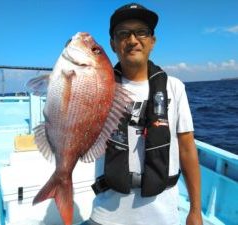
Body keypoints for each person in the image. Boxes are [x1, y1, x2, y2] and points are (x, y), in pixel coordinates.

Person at [82, 3, 203, 225]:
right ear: (113, 44)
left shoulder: (174, 87)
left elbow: (187, 148)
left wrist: (195, 210)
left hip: (163, 217)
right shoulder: (97, 88)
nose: (133, 39)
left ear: (152, 41)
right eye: (123, 33)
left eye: (141, 32)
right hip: (106, 215)